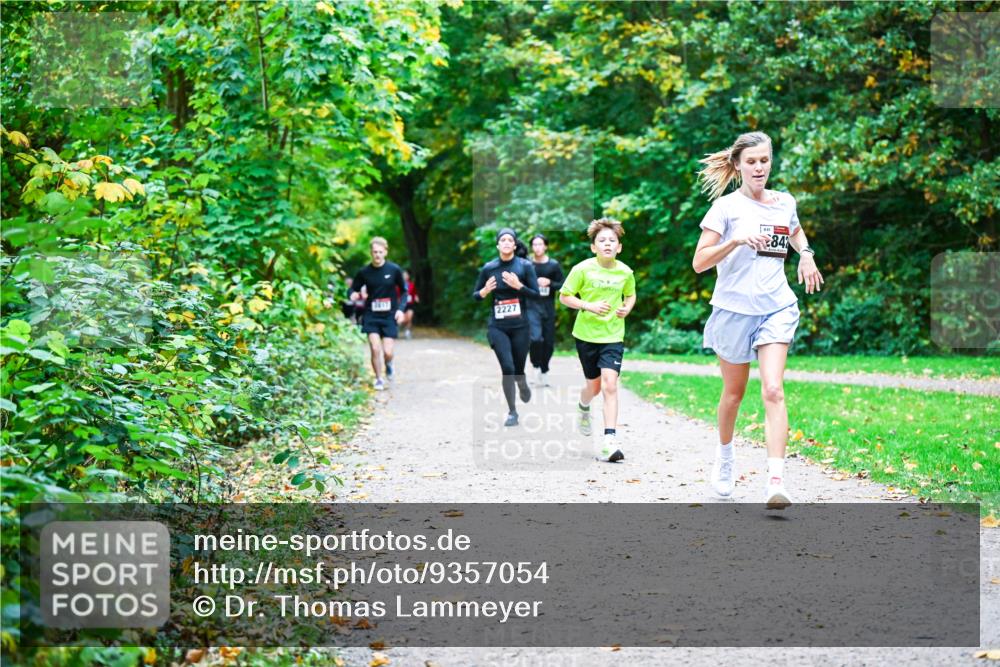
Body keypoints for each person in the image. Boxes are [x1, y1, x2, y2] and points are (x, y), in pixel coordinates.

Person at [692, 131, 824, 509]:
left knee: (772, 389)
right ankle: (725, 456)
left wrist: (807, 253)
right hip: (733, 310)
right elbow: (699, 262)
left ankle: (775, 481)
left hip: (776, 307)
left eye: (764, 160)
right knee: (734, 394)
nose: (759, 167)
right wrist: (734, 241)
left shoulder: (784, 202)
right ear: (738, 165)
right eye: (751, 162)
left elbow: (795, 230)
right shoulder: (725, 208)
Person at [559, 218, 636, 463]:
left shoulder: (625, 272)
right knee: (593, 387)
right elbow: (564, 296)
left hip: (613, 335)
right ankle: (583, 407)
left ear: (620, 247)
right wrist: (588, 305)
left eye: (612, 241)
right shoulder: (582, 269)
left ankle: (609, 441)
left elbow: (631, 294)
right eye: (601, 240)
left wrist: (627, 308)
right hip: (586, 335)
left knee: (609, 385)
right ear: (593, 247)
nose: (607, 244)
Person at [473, 228, 540, 427]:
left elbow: (536, 294)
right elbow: (475, 295)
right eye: (502, 240)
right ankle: (512, 411)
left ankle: (522, 381)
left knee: (518, 368)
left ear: (514, 244)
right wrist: (484, 291)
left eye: (510, 240)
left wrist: (519, 286)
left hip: (520, 326)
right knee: (508, 368)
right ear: (497, 245)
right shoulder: (489, 268)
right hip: (498, 326)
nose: (506, 243)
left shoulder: (525, 266)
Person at [350, 237, 408, 391]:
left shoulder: (394, 270)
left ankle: (389, 364)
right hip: (371, 315)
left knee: (388, 352)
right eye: (375, 252)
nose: (377, 255)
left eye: (380, 252)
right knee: (375, 348)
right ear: (371, 252)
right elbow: (353, 288)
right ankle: (378, 379)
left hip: (389, 315)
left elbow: (404, 291)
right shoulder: (364, 272)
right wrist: (353, 295)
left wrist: (400, 310)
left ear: (385, 252)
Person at [527, 234, 564, 387]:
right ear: (532, 247)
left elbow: (563, 284)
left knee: (548, 343)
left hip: (548, 307)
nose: (537, 247)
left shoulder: (553, 265)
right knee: (536, 339)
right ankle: (535, 366)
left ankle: (544, 370)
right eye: (534, 245)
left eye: (540, 244)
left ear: (546, 246)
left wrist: (549, 282)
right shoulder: (527, 264)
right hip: (531, 306)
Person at [402, 269, 419, 339]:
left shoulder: (411, 284)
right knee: (404, 319)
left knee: (409, 317)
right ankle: (403, 328)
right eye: (403, 275)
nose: (405, 276)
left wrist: (416, 297)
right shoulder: (399, 285)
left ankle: (407, 331)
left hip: (410, 304)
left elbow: (414, 292)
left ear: (408, 276)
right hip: (402, 304)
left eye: (406, 275)